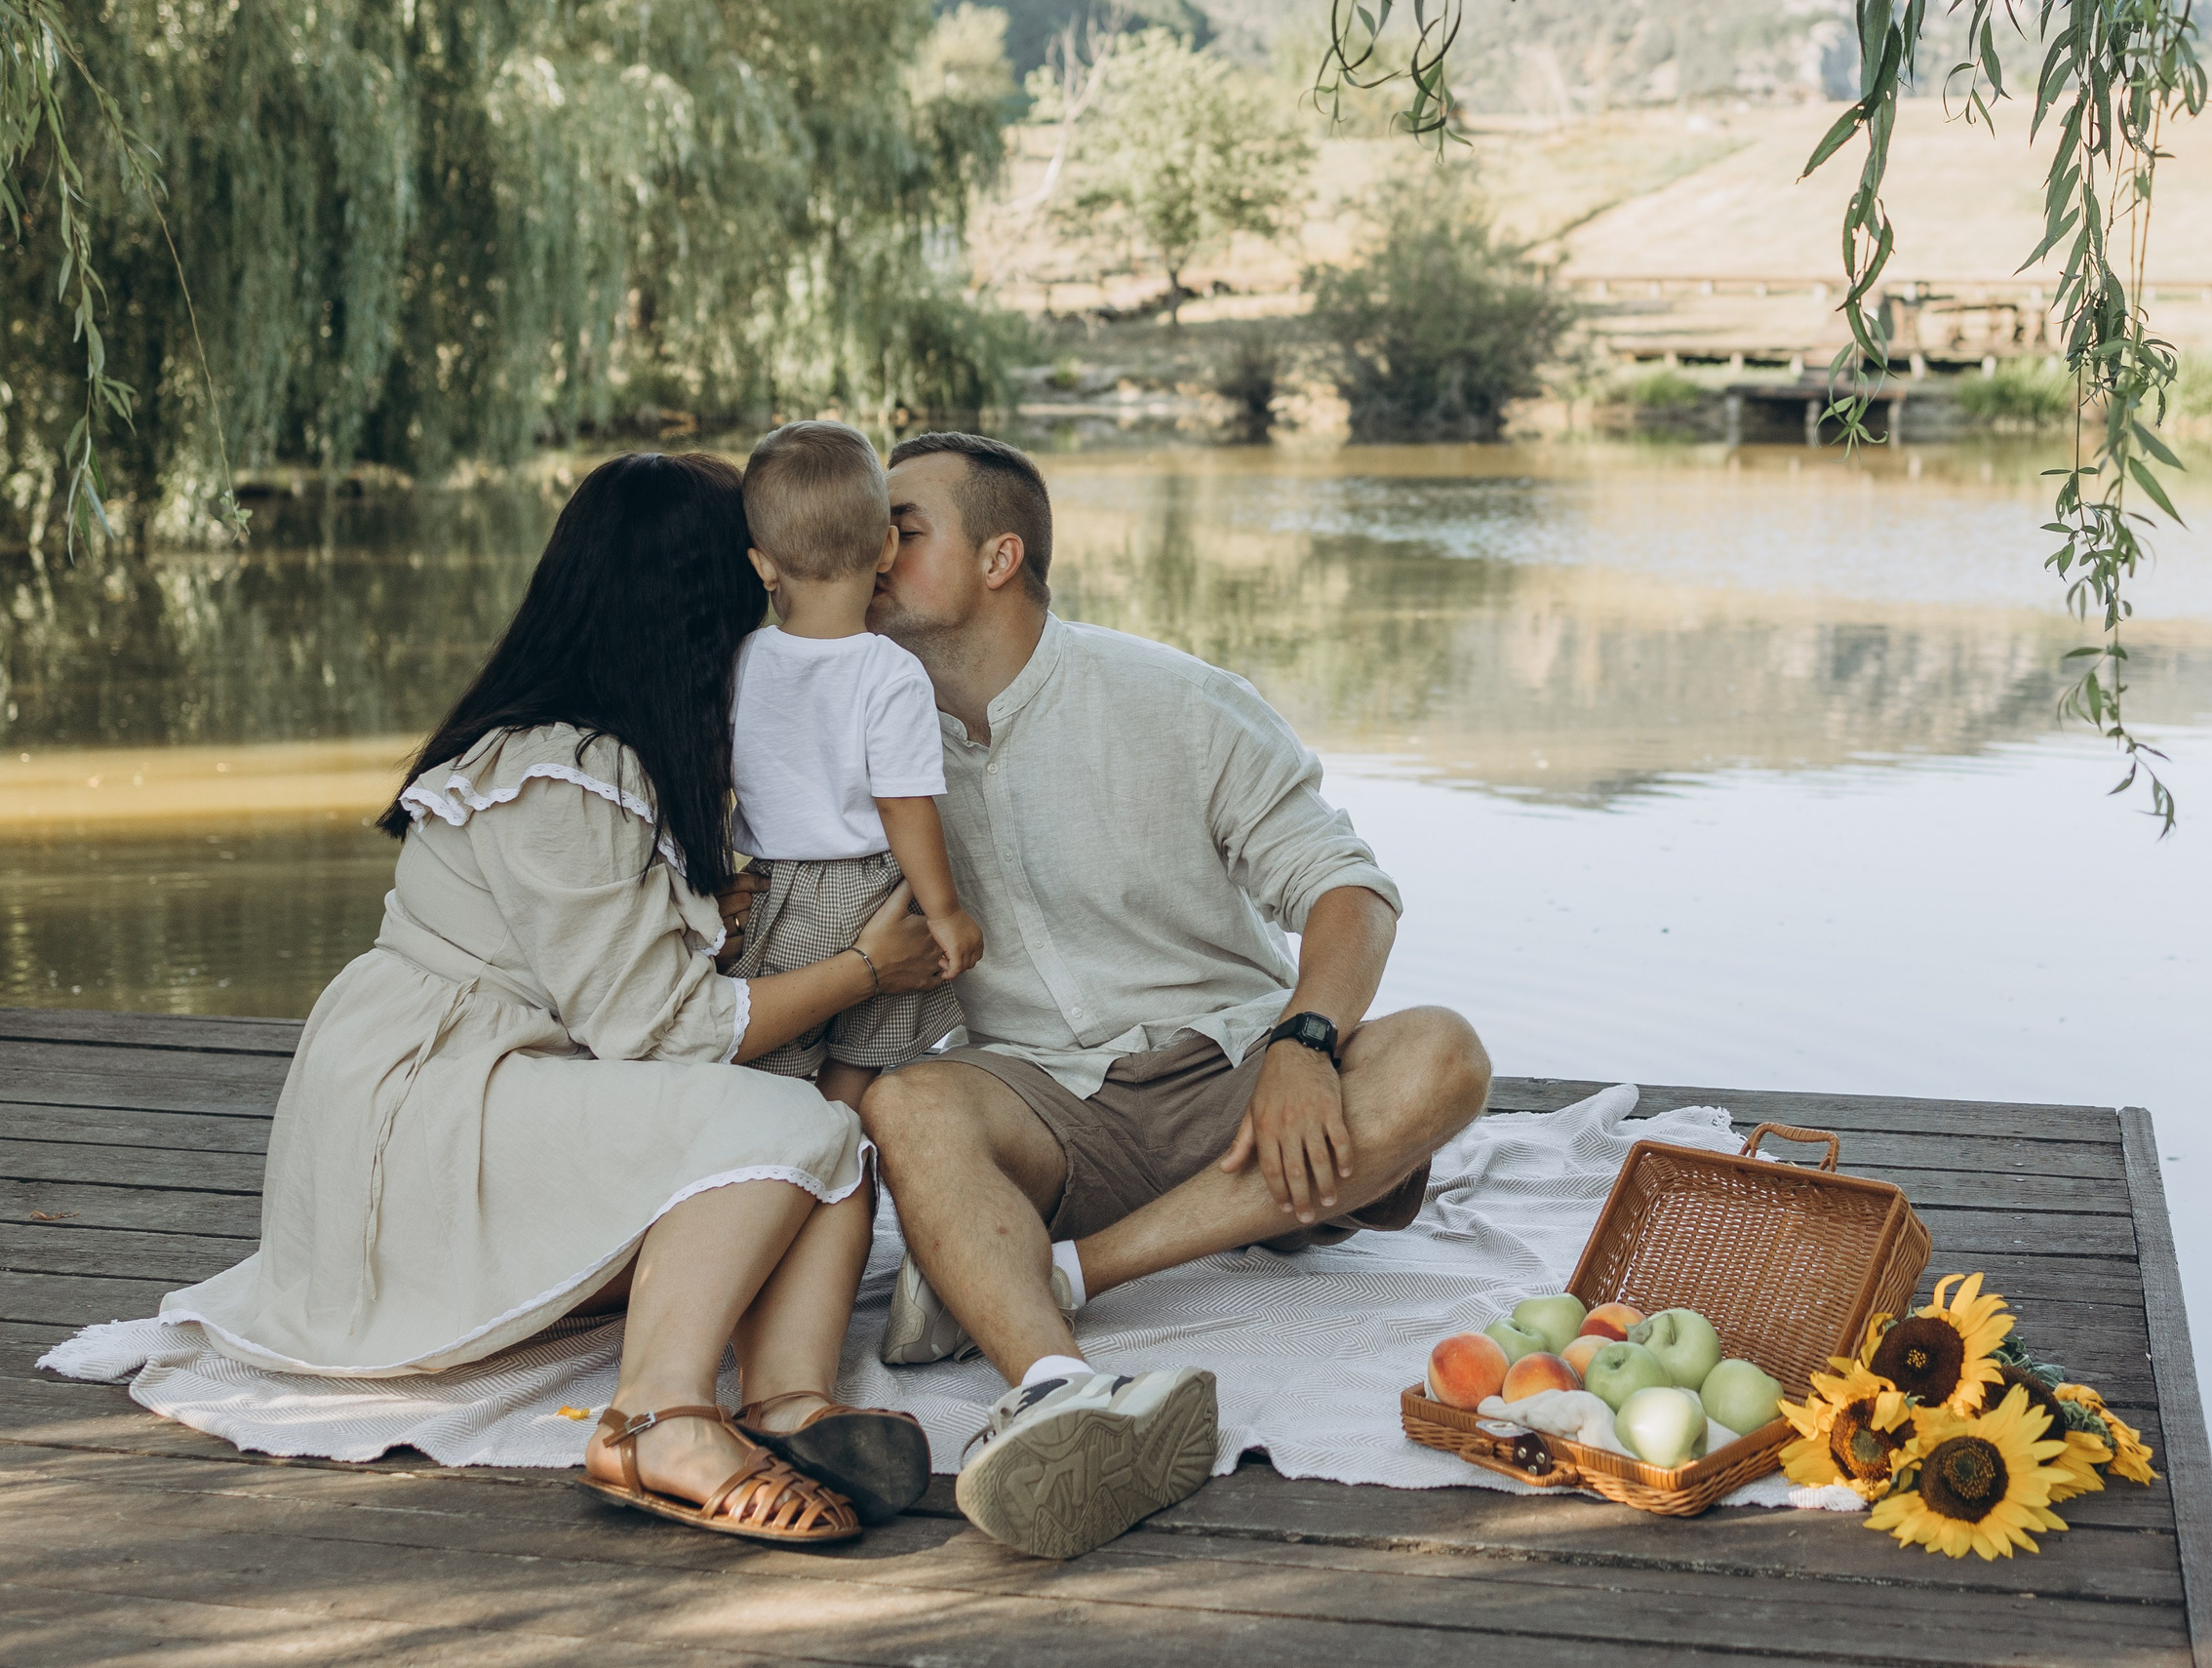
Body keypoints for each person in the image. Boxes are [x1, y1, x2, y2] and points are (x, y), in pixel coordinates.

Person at [159, 452, 940, 1546]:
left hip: (504, 1077)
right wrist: (869, 969)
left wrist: (714, 908)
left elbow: (613, 960)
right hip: (432, 1107)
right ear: (706, 598)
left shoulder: (608, 754)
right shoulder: (558, 768)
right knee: (780, 1123)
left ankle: (792, 1409)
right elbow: (665, 1033)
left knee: (831, 1151)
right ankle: (655, 1417)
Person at [861, 431, 1494, 1560]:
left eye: (901, 530)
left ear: (999, 557)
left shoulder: (1175, 699)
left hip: (1237, 1080)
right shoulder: (860, 741)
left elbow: (1348, 886)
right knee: (909, 1105)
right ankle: (1059, 1385)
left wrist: (1306, 1040)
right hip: (1048, 1101)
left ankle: (1064, 1272)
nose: (871, 550)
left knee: (1443, 1053)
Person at [722, 420, 983, 1114]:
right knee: (861, 1059)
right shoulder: (891, 673)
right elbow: (904, 802)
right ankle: (840, 1142)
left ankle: (782, 1166)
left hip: (778, 894)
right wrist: (946, 909)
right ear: (887, 547)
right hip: (871, 890)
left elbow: (723, 778)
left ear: (764, 567)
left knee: (772, 1070)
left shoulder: (742, 663)